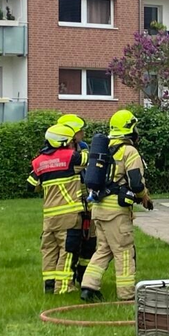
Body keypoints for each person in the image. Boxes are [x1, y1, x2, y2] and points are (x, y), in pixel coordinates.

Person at [81, 109, 152, 302]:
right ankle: (127, 295)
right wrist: (143, 197)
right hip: (116, 213)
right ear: (130, 129)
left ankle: (88, 287)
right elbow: (136, 183)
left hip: (98, 209)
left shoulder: (104, 149)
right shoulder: (129, 151)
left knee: (103, 249)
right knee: (124, 252)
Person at [27, 123, 88, 294]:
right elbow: (87, 158)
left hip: (49, 217)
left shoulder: (39, 161)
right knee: (68, 251)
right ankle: (63, 287)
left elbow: (31, 186)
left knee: (49, 251)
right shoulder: (71, 157)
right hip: (68, 215)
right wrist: (82, 146)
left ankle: (49, 286)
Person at [57, 114, 94, 285]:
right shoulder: (60, 154)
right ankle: (67, 277)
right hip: (69, 205)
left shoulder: (83, 147)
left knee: (90, 240)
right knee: (71, 242)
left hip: (86, 200)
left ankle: (83, 275)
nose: (83, 134)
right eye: (80, 131)